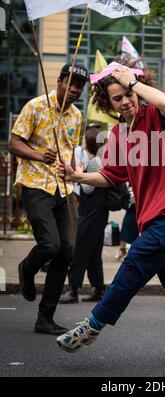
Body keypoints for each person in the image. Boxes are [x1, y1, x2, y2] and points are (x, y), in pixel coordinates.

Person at [56, 61, 165, 363]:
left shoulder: (154, 116)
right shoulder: (120, 135)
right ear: (109, 103)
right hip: (153, 213)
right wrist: (76, 176)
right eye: (117, 98)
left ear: (137, 89)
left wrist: (131, 81)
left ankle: (93, 325)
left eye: (128, 93)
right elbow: (110, 176)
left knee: (136, 261)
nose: (126, 100)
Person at [8, 63, 88, 334]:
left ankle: (45, 317)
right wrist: (39, 155)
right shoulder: (35, 106)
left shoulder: (77, 116)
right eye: (72, 83)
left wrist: (77, 174)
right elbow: (14, 143)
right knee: (50, 245)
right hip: (35, 185)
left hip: (63, 189)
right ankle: (27, 268)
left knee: (67, 250)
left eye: (80, 86)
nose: (75, 89)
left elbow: (72, 153)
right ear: (59, 81)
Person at [59, 125, 108, 304]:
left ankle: (73, 289)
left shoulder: (96, 161)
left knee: (80, 249)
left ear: (89, 144)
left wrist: (79, 174)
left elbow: (88, 189)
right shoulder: (103, 159)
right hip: (99, 212)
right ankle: (98, 287)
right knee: (94, 250)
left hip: (91, 211)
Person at [114, 185, 139, 261]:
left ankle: (133, 251)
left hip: (140, 209)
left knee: (137, 231)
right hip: (131, 209)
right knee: (125, 227)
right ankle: (122, 249)